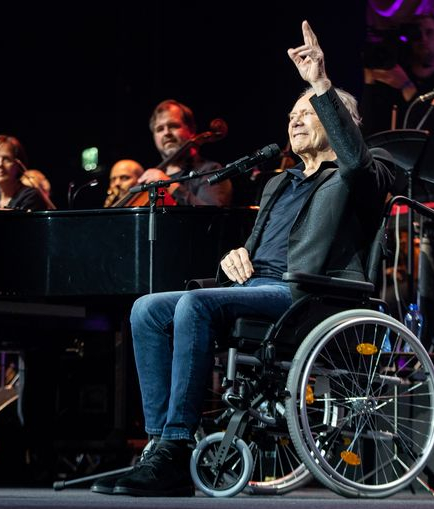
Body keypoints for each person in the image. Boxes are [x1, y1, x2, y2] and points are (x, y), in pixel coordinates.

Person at [91, 20, 395, 497]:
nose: (295, 121)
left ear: (341, 121)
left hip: (307, 293)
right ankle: (158, 445)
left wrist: (319, 83)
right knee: (146, 309)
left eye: (308, 112)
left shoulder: (361, 175)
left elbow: (355, 160)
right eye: (292, 114)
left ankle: (175, 448)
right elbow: (253, 247)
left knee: (195, 305)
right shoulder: (277, 183)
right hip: (257, 287)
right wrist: (237, 256)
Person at [361, 13, 434, 153]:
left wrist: (407, 86)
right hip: (387, 160)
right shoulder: (391, 81)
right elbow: (367, 128)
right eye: (416, 34)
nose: (423, 39)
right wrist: (369, 83)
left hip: (428, 162)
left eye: (429, 32)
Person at [138, 100, 232, 206]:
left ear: (191, 130)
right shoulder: (151, 178)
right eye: (160, 129)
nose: (166, 133)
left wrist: (169, 184)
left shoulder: (210, 170)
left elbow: (211, 214)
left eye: (173, 126)